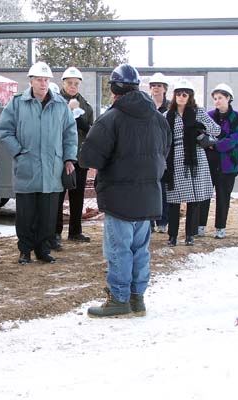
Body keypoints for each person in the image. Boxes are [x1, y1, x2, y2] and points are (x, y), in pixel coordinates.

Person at [79, 64, 171, 318]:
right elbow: (165, 153)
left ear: (114, 90)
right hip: (148, 196)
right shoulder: (157, 118)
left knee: (118, 249)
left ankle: (119, 299)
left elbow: (89, 157)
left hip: (119, 198)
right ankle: (137, 299)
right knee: (140, 249)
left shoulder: (111, 118)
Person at [0, 61, 78, 265]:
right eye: (39, 79)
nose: (43, 83)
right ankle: (25, 250)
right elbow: (4, 131)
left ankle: (43, 249)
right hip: (27, 168)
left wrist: (69, 158)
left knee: (48, 215)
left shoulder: (60, 105)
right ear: (30, 81)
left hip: (52, 170)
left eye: (46, 79)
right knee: (25, 215)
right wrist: (18, 151)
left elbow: (70, 134)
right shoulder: (17, 103)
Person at [163, 79, 221, 246]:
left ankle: (190, 235)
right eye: (178, 93)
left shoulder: (198, 112)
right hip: (174, 159)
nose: (181, 97)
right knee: (173, 200)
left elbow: (217, 130)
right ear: (174, 96)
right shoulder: (167, 115)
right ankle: (172, 236)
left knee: (193, 199)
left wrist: (200, 126)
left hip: (195, 159)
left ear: (190, 96)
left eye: (185, 94)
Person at [50, 67, 94, 251]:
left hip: (79, 156)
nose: (73, 86)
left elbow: (90, 129)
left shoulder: (85, 105)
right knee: (58, 195)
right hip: (60, 155)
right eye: (70, 83)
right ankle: (55, 231)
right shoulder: (54, 100)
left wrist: (80, 116)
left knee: (78, 195)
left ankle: (75, 230)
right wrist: (68, 111)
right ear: (63, 83)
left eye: (76, 83)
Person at [198, 83, 238, 239]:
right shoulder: (209, 115)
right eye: (215, 98)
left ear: (229, 98)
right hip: (209, 164)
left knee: (223, 197)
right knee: (204, 195)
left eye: (220, 98)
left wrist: (215, 145)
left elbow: (235, 139)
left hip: (228, 164)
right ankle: (200, 225)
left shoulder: (237, 117)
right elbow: (202, 134)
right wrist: (210, 143)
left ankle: (220, 227)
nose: (217, 101)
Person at [149, 72, 170, 233]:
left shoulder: (170, 107)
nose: (156, 88)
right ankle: (149, 222)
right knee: (148, 188)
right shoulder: (145, 105)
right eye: (153, 85)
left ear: (165, 89)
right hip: (147, 153)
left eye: (159, 85)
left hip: (164, 153)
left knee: (163, 188)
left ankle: (163, 221)